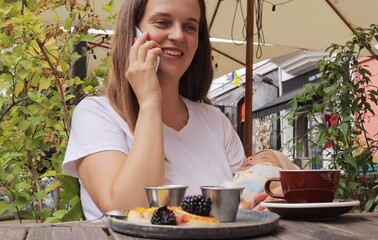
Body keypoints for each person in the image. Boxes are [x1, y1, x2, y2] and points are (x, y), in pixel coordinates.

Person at [62, 0, 245, 220]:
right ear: (133, 32)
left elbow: (244, 207)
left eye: (190, 27)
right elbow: (127, 210)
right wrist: (149, 102)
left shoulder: (216, 121)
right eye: (162, 22)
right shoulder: (96, 114)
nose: (178, 35)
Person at [221, 149, 300, 209]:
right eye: (249, 158)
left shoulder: (270, 169)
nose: (249, 158)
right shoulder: (241, 177)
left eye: (264, 157)